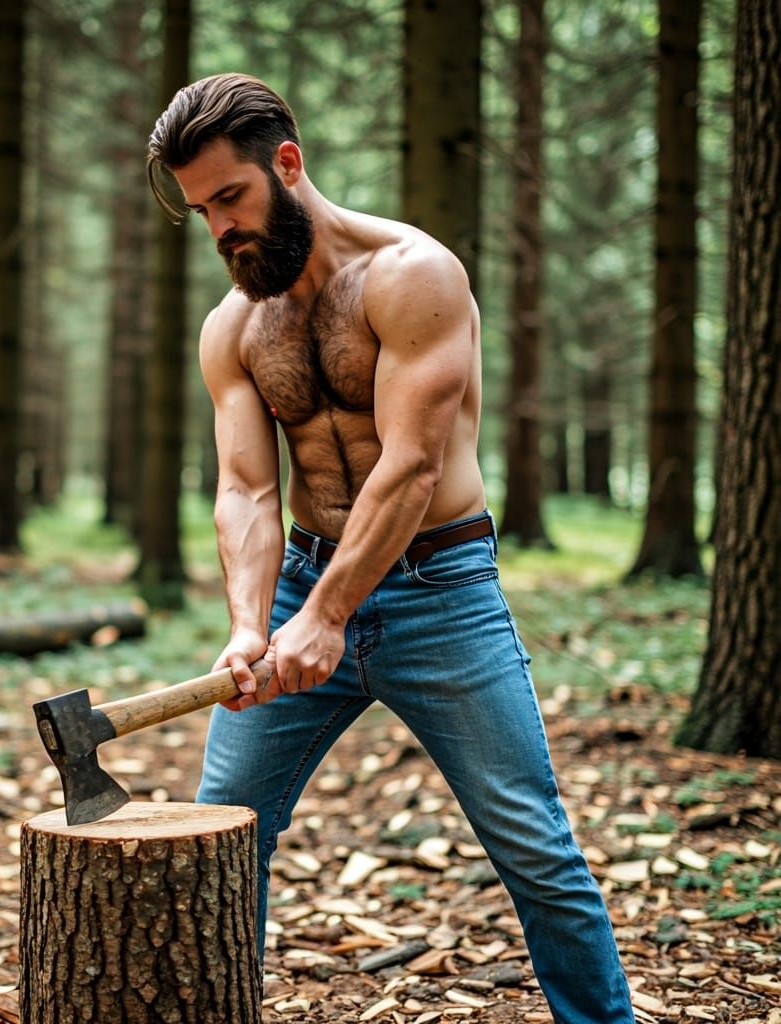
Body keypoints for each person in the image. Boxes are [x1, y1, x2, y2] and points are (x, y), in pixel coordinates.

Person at [146, 73, 635, 1024]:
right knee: (226, 834)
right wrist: (254, 626)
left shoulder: (415, 275)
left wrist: (330, 615)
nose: (219, 231)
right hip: (298, 588)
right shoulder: (234, 325)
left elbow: (411, 467)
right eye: (201, 211)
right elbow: (247, 488)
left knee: (532, 844)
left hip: (441, 591)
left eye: (231, 198)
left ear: (287, 164)